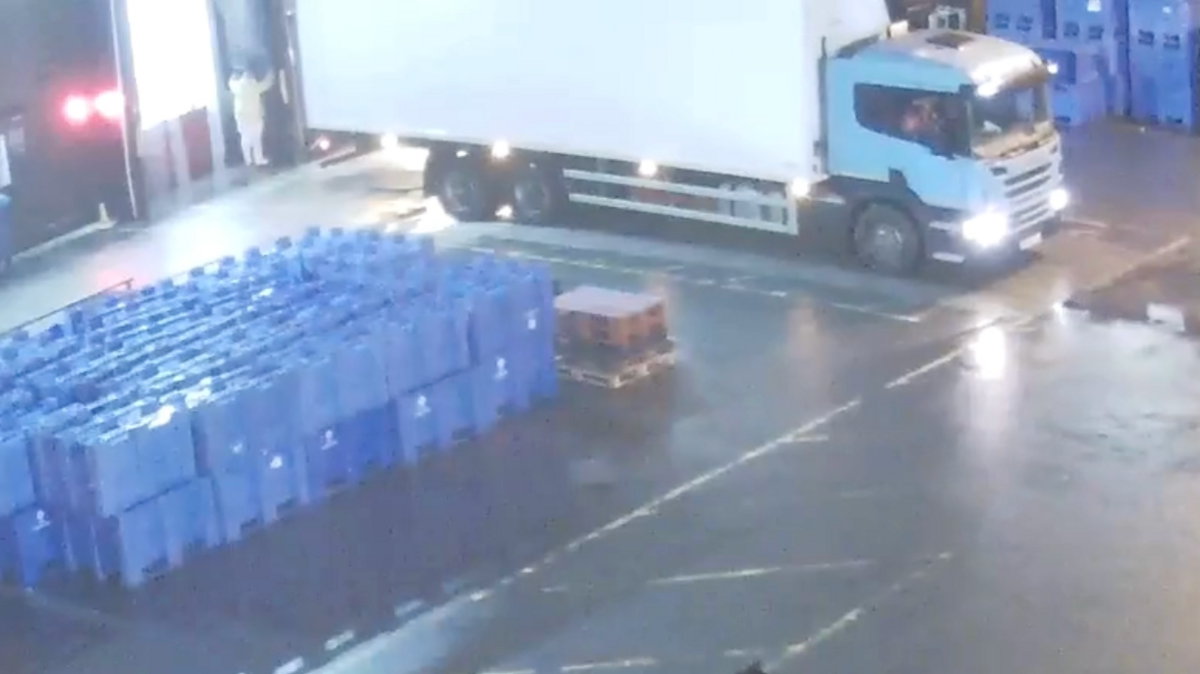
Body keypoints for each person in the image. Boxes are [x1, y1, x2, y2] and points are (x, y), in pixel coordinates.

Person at [228, 67, 275, 167]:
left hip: (241, 116)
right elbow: (266, 84)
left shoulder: (237, 86)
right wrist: (270, 74)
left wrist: (232, 76)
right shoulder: (254, 86)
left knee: (245, 138)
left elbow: (230, 82)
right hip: (255, 116)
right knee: (256, 139)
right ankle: (259, 159)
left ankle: (248, 160)